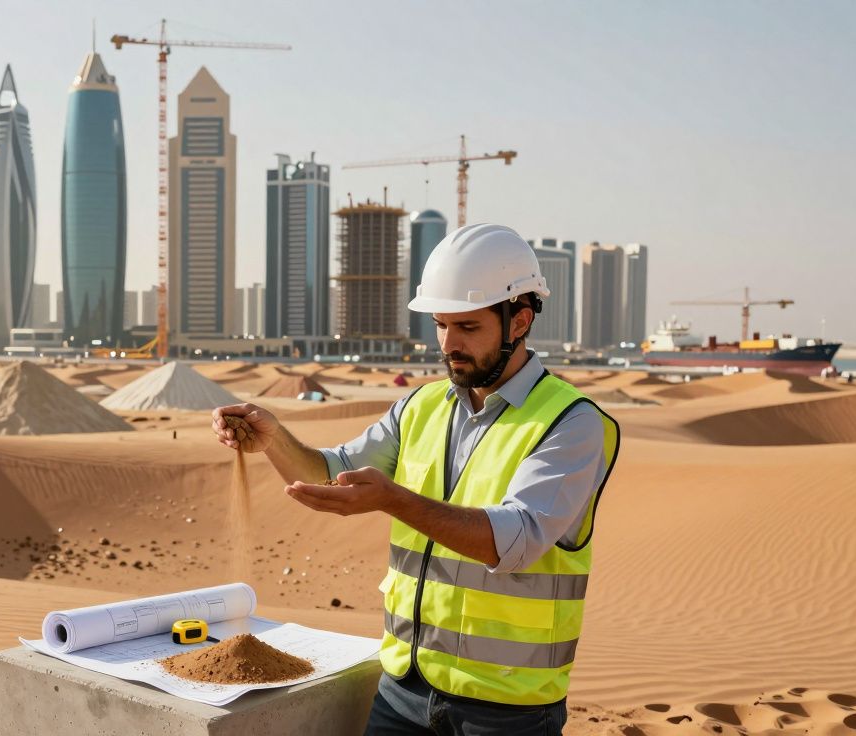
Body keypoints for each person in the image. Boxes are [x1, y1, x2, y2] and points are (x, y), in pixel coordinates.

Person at [212, 224, 619, 735]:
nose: (449, 344)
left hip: (506, 709)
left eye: (468, 327)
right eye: (441, 325)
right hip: (403, 690)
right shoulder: (419, 407)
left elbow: (515, 541)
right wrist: (273, 440)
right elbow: (333, 474)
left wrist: (395, 501)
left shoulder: (572, 422)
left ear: (519, 320)